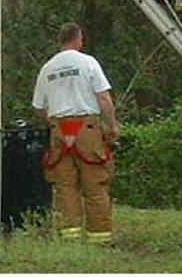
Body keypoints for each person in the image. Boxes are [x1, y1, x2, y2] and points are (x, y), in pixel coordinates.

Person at [32, 22, 120, 245]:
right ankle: (100, 238)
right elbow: (103, 98)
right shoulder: (88, 63)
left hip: (59, 130)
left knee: (65, 186)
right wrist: (112, 126)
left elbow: (39, 106)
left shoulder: (47, 68)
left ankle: (69, 237)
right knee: (94, 183)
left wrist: (55, 123)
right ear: (78, 39)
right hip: (86, 129)